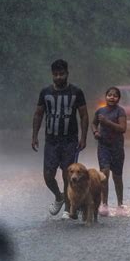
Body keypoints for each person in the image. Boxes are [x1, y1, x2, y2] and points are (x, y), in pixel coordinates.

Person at [32, 59, 88, 219]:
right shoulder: (45, 92)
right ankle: (59, 196)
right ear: (52, 75)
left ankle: (69, 208)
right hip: (51, 140)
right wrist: (34, 135)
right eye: (55, 75)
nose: (58, 77)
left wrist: (83, 137)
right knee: (48, 175)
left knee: (68, 174)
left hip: (69, 140)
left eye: (61, 74)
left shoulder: (76, 92)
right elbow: (38, 114)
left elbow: (84, 115)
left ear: (67, 74)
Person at [92, 87, 127, 216]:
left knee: (117, 177)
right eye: (109, 95)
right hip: (103, 147)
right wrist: (95, 132)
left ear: (118, 99)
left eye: (115, 96)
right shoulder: (100, 111)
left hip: (117, 147)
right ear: (105, 96)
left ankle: (120, 205)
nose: (112, 97)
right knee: (104, 174)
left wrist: (107, 122)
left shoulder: (120, 112)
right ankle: (104, 204)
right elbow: (94, 123)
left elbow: (123, 128)